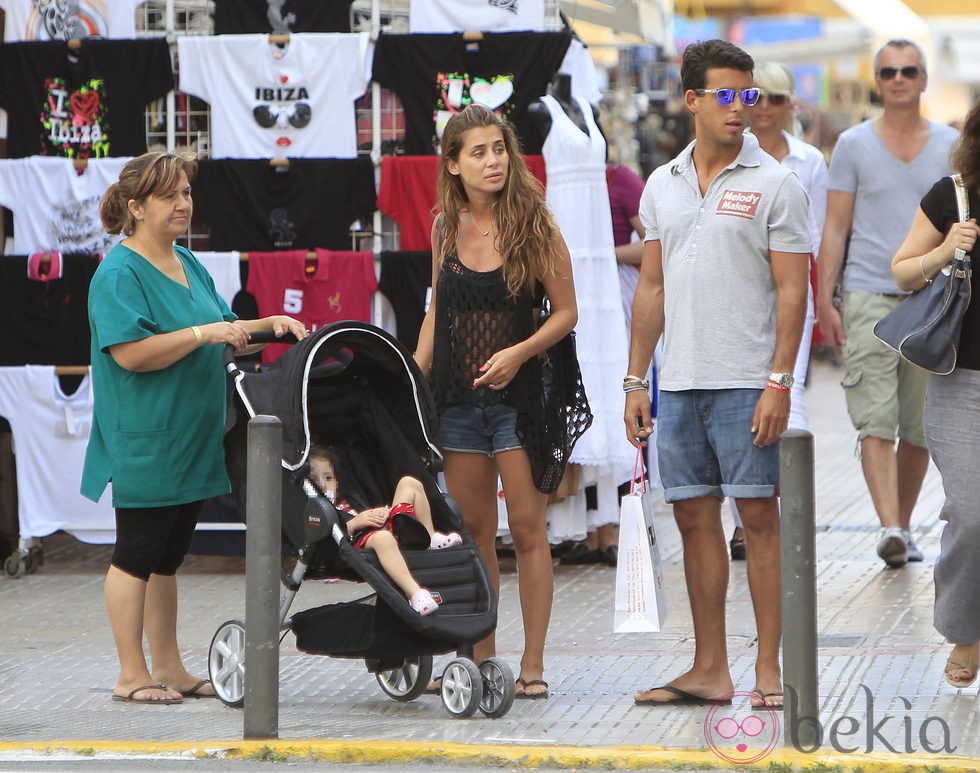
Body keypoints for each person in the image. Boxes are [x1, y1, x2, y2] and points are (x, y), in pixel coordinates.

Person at [80, 151, 309, 705]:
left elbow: (222, 328)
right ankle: (131, 675)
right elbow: (134, 354)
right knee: (135, 555)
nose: (184, 203)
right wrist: (208, 334)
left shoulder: (187, 261)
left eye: (186, 192)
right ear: (135, 207)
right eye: (170, 195)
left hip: (188, 436)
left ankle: (170, 668)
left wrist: (268, 326)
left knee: (166, 558)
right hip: (146, 437)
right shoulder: (118, 273)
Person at [624, 39, 811, 709]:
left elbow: (794, 294)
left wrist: (779, 381)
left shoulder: (776, 183)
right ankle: (710, 668)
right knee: (693, 523)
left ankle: (768, 667)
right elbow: (651, 288)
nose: (740, 109)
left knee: (759, 520)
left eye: (748, 95)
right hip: (677, 385)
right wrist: (634, 378)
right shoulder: (661, 184)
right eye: (726, 96)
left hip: (747, 381)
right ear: (691, 100)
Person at [414, 103, 578, 699]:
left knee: (529, 530)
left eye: (499, 149)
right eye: (477, 152)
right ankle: (480, 658)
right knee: (474, 532)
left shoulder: (536, 226)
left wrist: (519, 353)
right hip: (459, 399)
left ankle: (531, 666)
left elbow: (566, 313)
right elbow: (438, 312)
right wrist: (412, 378)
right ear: (453, 165)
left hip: (520, 400)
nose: (492, 161)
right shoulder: (442, 228)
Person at [815, 39, 960, 568]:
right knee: (874, 417)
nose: (898, 78)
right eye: (888, 72)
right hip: (867, 295)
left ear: (923, 80)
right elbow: (835, 226)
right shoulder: (852, 145)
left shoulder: (952, 143)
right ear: (877, 82)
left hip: (935, 300)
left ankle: (900, 524)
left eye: (908, 70)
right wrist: (825, 299)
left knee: (918, 426)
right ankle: (892, 526)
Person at [890, 101, 980, 688]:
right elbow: (901, 271)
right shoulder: (954, 195)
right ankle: (965, 632)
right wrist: (949, 249)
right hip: (963, 380)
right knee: (972, 514)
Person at [727, 60, 829, 560]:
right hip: (737, 291)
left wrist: (823, 299)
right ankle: (746, 520)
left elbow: (819, 238)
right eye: (756, 96)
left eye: (776, 98)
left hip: (793, 292)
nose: (764, 107)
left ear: (791, 105)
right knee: (736, 401)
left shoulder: (808, 162)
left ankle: (789, 511)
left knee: (787, 391)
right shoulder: (726, 155)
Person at [560, 160, 648, 567]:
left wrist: (601, 253)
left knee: (614, 403)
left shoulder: (620, 179)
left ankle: (614, 527)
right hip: (573, 291)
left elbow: (653, 242)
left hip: (612, 293)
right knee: (579, 407)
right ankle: (588, 528)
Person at [307, 445, 462, 615]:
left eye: (328, 477)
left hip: (387, 529)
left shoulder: (349, 500)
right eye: (315, 480)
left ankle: (431, 536)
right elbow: (326, 537)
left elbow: (368, 512)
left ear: (336, 482)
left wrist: (380, 512)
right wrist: (356, 522)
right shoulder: (316, 513)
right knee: (383, 538)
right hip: (360, 543)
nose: (322, 484)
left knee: (409, 483)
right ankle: (415, 593)